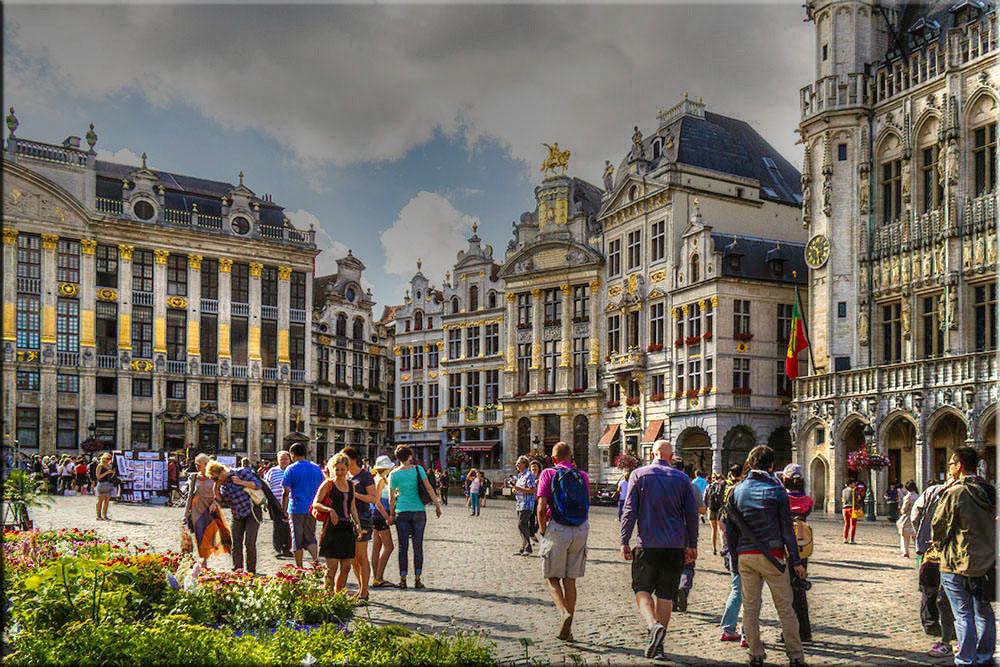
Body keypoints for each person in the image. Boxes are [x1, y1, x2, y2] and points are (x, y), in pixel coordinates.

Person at [724, 445, 807, 667]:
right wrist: (796, 561)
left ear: (750, 464)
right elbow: (787, 531)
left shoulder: (737, 490)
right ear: (771, 465)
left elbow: (729, 529)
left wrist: (734, 558)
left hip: (745, 556)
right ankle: (796, 655)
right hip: (774, 556)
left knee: (750, 608)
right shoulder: (777, 490)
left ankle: (756, 653)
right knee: (785, 608)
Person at [620, 439, 699, 660]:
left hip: (648, 543)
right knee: (666, 594)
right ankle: (660, 647)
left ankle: (653, 625)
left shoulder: (639, 475)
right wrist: (692, 544)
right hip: (674, 546)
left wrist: (624, 540)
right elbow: (691, 516)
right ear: (670, 456)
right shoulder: (683, 479)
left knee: (641, 588)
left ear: (653, 454)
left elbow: (629, 510)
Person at [931, 447, 996, 667]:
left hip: (957, 561)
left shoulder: (956, 491)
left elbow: (939, 524)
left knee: (963, 613)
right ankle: (985, 657)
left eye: (950, 463)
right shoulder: (989, 489)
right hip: (986, 561)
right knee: (984, 610)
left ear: (959, 465)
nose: (948, 468)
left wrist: (938, 545)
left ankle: (966, 659)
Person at [536, 441, 590, 642]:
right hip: (581, 528)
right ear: (571, 457)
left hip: (558, 527)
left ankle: (563, 613)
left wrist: (543, 530)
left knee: (551, 577)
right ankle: (569, 629)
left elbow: (541, 508)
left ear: (554, 459)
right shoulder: (582, 475)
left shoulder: (548, 474)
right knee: (570, 580)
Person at [912, 470, 958, 658]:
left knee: (929, 588)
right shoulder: (965, 493)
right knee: (949, 591)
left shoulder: (933, 492)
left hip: (931, 549)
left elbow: (916, 515)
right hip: (954, 552)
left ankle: (931, 624)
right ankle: (953, 630)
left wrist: (921, 537)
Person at [389, 444, 442, 589]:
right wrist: (437, 505)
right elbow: (429, 488)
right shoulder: (419, 469)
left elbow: (391, 497)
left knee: (402, 546)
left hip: (402, 511)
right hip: (419, 510)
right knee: (418, 545)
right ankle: (418, 578)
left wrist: (391, 514)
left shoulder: (393, 474)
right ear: (410, 456)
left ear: (397, 458)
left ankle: (403, 578)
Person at [312, 453, 360, 593]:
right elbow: (316, 503)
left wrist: (358, 524)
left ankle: (339, 596)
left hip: (346, 528)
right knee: (331, 567)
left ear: (347, 469)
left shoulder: (351, 485)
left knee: (346, 567)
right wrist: (330, 510)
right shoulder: (328, 484)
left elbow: (352, 507)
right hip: (332, 529)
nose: (339, 473)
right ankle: (328, 596)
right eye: (337, 469)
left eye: (342, 469)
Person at [208, 461, 262, 574]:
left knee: (249, 542)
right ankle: (237, 569)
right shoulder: (222, 485)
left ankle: (251, 570)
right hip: (237, 514)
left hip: (252, 511)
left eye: (216, 478)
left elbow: (258, 484)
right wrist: (216, 491)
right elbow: (223, 503)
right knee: (236, 543)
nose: (216, 481)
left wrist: (241, 482)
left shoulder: (240, 473)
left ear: (222, 472)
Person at [781, 463, 815, 644]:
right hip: (803, 545)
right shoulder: (808, 501)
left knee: (786, 592)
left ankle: (789, 632)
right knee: (799, 589)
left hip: (785, 547)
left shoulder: (782, 498)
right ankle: (805, 631)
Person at [343, 446, 381, 601]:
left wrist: (354, 493)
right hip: (348, 517)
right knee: (352, 557)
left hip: (363, 517)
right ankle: (360, 589)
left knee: (361, 555)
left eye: (345, 459)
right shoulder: (344, 475)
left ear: (353, 459)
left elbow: (373, 498)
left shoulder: (364, 475)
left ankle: (365, 591)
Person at [281, 442, 325, 568]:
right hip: (312, 507)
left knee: (296, 538)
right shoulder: (316, 468)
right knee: (311, 535)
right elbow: (322, 487)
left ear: (292, 454)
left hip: (296, 508)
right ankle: (316, 559)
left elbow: (286, 492)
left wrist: (283, 510)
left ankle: (299, 567)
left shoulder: (291, 469)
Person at [184, 453, 231, 567]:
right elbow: (190, 495)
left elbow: (220, 493)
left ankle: (208, 554)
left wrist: (215, 502)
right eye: (196, 464)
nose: (197, 467)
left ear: (205, 464)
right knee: (199, 533)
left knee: (211, 533)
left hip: (210, 508)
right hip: (197, 508)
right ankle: (203, 559)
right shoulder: (194, 478)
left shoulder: (214, 477)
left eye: (198, 464)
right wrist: (186, 514)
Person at [718, 466, 745, 643]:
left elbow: (722, 525)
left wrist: (725, 545)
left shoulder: (727, 508)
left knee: (736, 590)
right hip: (751, 551)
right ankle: (748, 633)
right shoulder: (750, 503)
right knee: (753, 595)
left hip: (734, 552)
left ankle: (728, 628)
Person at [370, 455, 397, 588]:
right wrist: (388, 516)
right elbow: (378, 502)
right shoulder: (381, 480)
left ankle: (376, 576)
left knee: (377, 546)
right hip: (380, 515)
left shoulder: (376, 479)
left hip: (375, 515)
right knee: (389, 546)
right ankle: (379, 577)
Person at [266, 451, 293, 558]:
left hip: (290, 502)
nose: (284, 461)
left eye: (286, 459)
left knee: (288, 526)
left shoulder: (292, 470)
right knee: (277, 526)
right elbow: (267, 486)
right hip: (275, 502)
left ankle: (287, 548)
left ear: (290, 459)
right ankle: (278, 548)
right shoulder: (272, 471)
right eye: (282, 459)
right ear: (278, 460)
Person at [513, 456, 537, 556]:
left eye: (518, 463)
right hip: (519, 503)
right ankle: (524, 546)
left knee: (522, 524)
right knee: (521, 526)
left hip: (527, 504)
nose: (516, 465)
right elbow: (518, 488)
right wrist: (514, 489)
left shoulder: (529, 475)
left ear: (524, 464)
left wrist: (519, 489)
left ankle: (528, 547)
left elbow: (532, 490)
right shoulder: (519, 475)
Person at [706, 473, 727, 555]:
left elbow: (705, 496)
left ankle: (714, 548)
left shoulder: (710, 485)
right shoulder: (723, 485)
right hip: (720, 509)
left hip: (711, 508)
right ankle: (723, 548)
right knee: (721, 529)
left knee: (713, 530)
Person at [896, 480, 919, 558]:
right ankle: (919, 551)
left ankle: (905, 552)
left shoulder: (907, 497)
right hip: (916, 517)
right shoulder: (918, 496)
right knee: (915, 536)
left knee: (905, 536)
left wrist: (901, 510)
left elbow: (904, 509)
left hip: (907, 518)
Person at [94, 453, 115, 520]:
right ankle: (98, 515)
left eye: (109, 459)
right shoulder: (100, 466)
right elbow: (98, 477)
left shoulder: (109, 466)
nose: (108, 460)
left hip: (109, 484)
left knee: (107, 501)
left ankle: (105, 515)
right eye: (107, 459)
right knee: (100, 500)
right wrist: (107, 472)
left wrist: (112, 473)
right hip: (102, 484)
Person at [842, 479, 861, 544]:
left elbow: (843, 499)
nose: (854, 485)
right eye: (853, 483)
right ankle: (852, 539)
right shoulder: (854, 491)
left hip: (844, 508)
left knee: (846, 524)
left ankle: (845, 538)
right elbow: (859, 498)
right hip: (852, 508)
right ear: (850, 484)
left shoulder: (843, 491)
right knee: (853, 525)